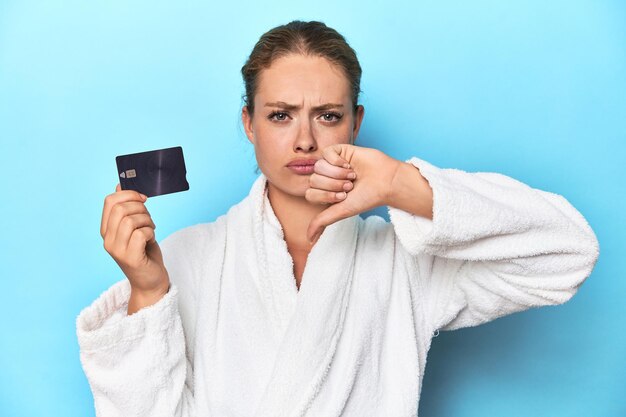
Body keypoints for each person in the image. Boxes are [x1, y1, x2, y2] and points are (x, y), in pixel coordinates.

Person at [76, 20, 600, 417]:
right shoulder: (188, 258)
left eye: (328, 115)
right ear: (249, 124)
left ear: (356, 123)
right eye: (280, 115)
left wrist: (401, 184)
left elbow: (567, 252)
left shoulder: (405, 261)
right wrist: (146, 292)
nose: (305, 139)